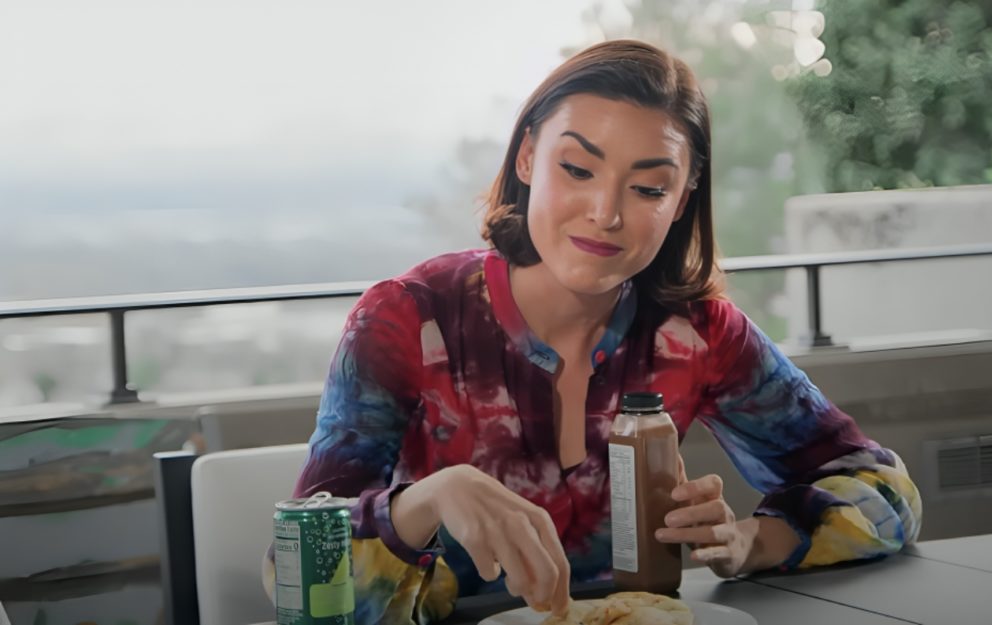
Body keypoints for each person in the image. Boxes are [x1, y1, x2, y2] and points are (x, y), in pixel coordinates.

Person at [264, 39, 923, 624]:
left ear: (684, 195)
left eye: (647, 188)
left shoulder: (695, 333)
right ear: (527, 158)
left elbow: (886, 492)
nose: (605, 213)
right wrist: (431, 498)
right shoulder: (409, 318)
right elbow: (296, 570)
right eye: (577, 170)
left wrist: (754, 540)